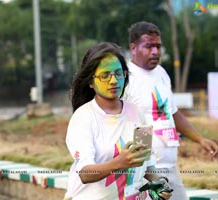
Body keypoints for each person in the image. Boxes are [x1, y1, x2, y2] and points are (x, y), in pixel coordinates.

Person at [123, 21, 218, 200]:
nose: (155, 52)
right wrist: (142, 165)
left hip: (170, 165)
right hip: (145, 168)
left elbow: (172, 113)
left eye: (158, 46)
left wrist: (200, 139)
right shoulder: (125, 77)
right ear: (133, 48)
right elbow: (120, 121)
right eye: (149, 46)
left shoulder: (162, 73)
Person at [65, 42, 172, 200]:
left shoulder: (137, 113)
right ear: (90, 82)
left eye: (118, 73)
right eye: (105, 75)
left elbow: (147, 164)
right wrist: (119, 162)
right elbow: (85, 173)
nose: (113, 80)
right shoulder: (83, 118)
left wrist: (159, 184)